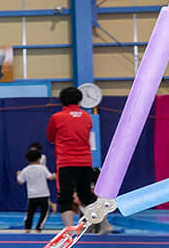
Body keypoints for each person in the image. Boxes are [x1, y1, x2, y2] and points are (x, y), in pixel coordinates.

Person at [46, 87, 110, 233]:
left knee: (65, 196)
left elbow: (50, 137)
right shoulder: (87, 117)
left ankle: (69, 230)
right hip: (85, 162)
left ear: (62, 100)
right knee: (86, 194)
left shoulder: (57, 117)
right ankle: (105, 224)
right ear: (80, 100)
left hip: (66, 162)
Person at [16, 148, 55, 232]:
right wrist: (55, 174)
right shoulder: (43, 168)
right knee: (44, 212)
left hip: (32, 195)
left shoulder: (25, 170)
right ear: (39, 158)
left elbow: (20, 181)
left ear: (27, 159)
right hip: (43, 194)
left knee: (30, 212)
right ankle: (38, 228)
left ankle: (27, 228)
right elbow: (50, 177)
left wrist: (18, 175)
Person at [28, 141, 58, 214]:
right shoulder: (32, 158)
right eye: (31, 151)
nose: (33, 153)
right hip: (34, 178)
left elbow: (38, 165)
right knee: (39, 195)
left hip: (41, 177)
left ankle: (51, 205)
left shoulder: (42, 157)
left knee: (42, 195)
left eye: (34, 151)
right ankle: (52, 204)